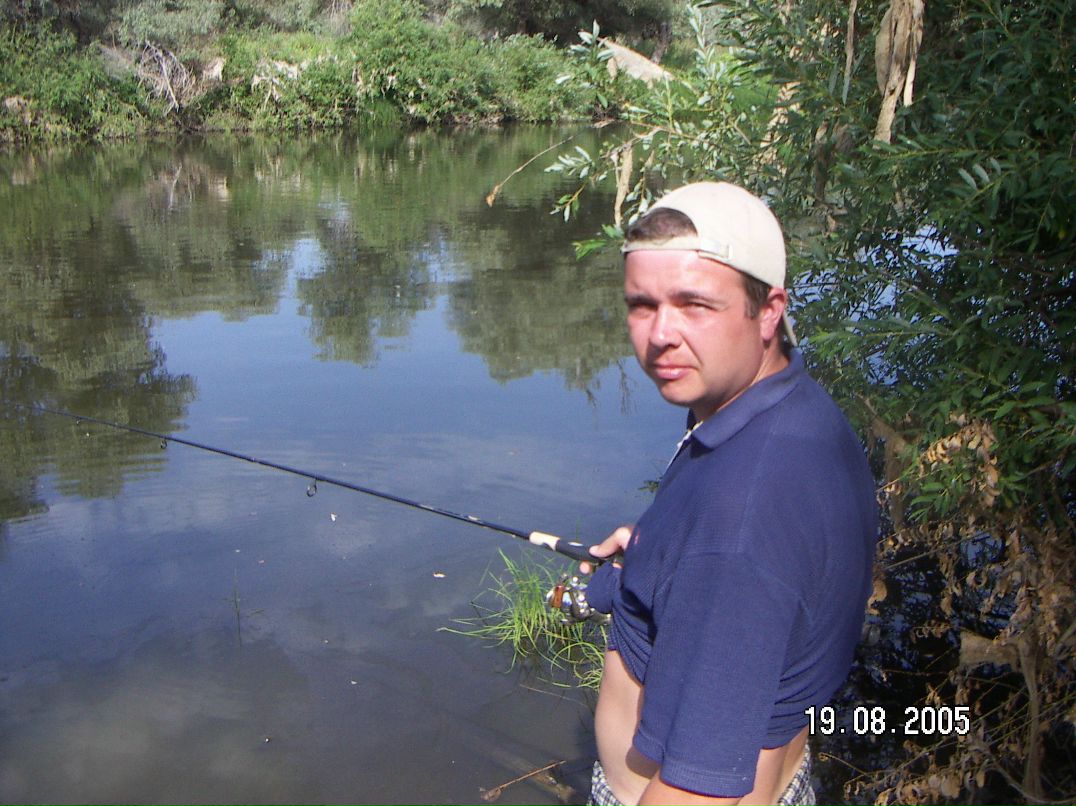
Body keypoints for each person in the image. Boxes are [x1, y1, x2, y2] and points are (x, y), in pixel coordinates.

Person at [581, 182, 879, 806]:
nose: (660, 333)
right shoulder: (788, 412)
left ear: (769, 309)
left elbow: (700, 794)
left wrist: (709, 554)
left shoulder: (740, 520)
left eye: (694, 304)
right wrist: (661, 554)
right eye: (642, 304)